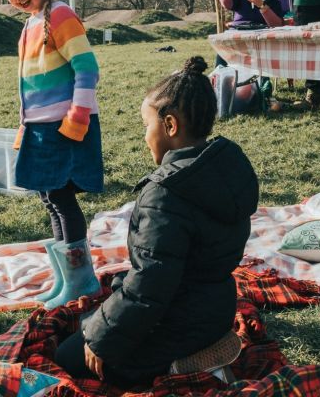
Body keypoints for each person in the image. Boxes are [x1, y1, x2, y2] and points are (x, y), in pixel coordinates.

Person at [55, 57, 259, 387]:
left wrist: (102, 338)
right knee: (86, 323)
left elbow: (150, 286)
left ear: (170, 125)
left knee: (67, 357)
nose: (145, 136)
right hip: (217, 310)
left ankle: (178, 368)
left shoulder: (165, 194)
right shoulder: (224, 168)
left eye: (146, 126)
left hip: (176, 322)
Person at [0, 0, 104, 310]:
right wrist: (25, 127)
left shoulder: (59, 15)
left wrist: (78, 118)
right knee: (49, 199)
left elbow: (87, 69)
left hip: (65, 128)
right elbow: (32, 88)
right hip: (40, 129)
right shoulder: (31, 25)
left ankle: (83, 280)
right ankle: (67, 279)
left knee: (62, 199)